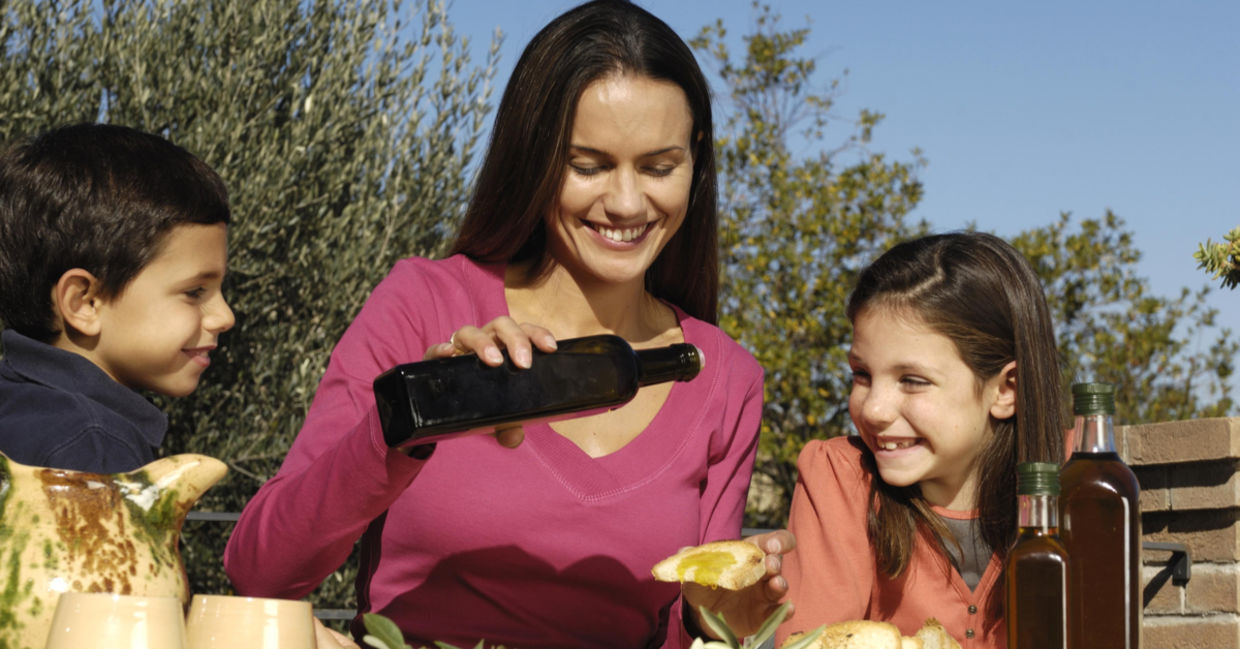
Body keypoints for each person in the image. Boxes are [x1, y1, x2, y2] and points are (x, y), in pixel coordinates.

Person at [222, 2, 780, 647]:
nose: (628, 202)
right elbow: (259, 571)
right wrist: (414, 417)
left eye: (659, 167)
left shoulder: (726, 377)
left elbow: (689, 629)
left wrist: (735, 621)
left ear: (696, 160)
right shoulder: (422, 300)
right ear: (534, 158)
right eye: (589, 165)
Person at [773, 232, 1066, 648]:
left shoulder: (1080, 486)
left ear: (1006, 390)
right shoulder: (840, 478)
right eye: (862, 374)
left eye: (912, 381)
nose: (873, 408)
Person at [0, 123, 236, 474]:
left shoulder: (18, 405)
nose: (225, 316)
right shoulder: (93, 451)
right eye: (194, 292)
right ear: (85, 302)